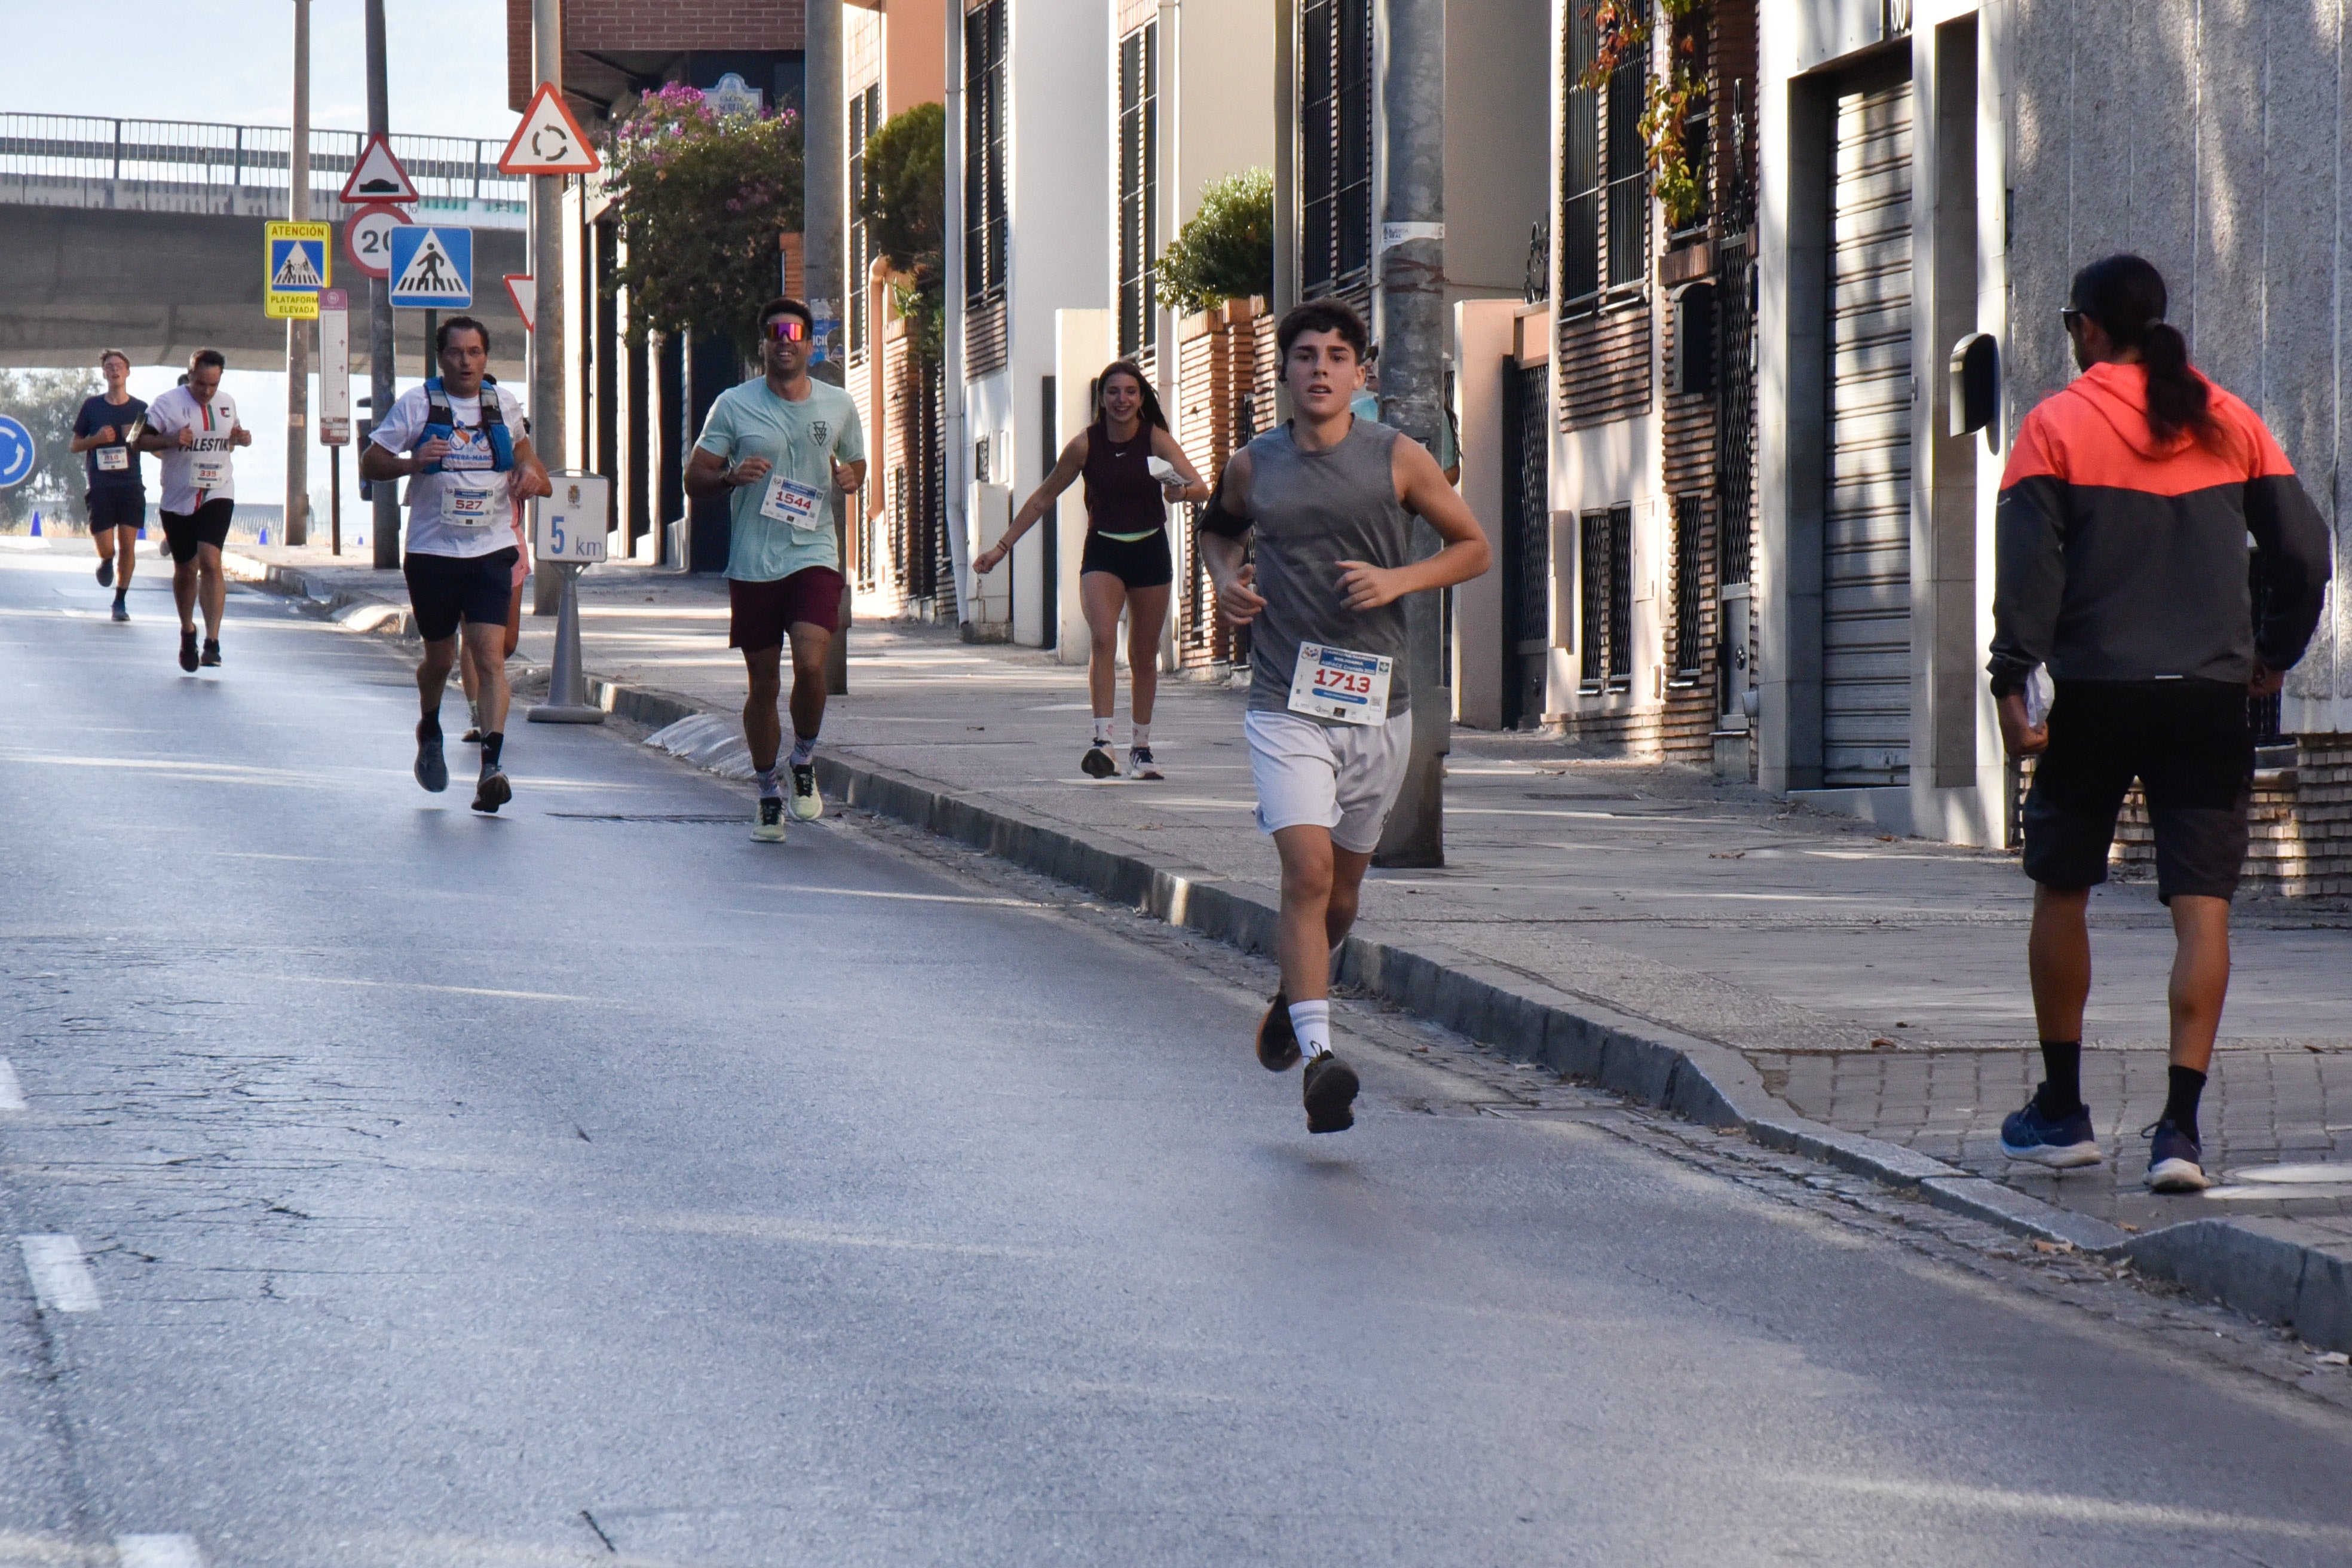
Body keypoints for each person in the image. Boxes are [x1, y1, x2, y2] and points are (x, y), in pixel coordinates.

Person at [1991, 254, 2330, 1193]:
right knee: (2202, 907)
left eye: (2070, 328)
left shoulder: (2054, 427)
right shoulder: (2230, 420)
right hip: (2208, 700)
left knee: (2063, 889)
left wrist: (2011, 682)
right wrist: (2273, 652)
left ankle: (2061, 1112)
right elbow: (2304, 550)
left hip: (2098, 694)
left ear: (2089, 331)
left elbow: (2027, 576)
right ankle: (2179, 1133)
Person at [1196, 300, 1491, 1134]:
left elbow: (1473, 546)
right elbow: (1218, 535)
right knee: (1308, 874)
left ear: (1360, 373)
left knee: (1345, 896)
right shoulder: (1253, 465)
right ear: (1284, 372)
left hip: (1377, 705)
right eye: (1304, 355)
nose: (1320, 369)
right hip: (1284, 700)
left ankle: (1296, 993)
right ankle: (1321, 1059)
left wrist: (1398, 582)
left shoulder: (1399, 459)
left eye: (1336, 356)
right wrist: (1224, 579)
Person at [683, 297, 866, 843]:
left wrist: (852, 477)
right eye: (773, 333)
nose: (784, 341)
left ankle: (803, 758)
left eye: (794, 333)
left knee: (813, 661)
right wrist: (730, 478)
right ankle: (767, 791)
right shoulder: (733, 406)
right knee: (763, 681)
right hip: (754, 561)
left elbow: (855, 460)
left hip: (813, 552)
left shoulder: (837, 405)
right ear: (763, 345)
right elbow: (696, 477)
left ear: (811, 345)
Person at [972, 363, 1208, 780]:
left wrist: (1180, 491)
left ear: (1141, 397)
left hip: (1150, 549)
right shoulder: (1085, 445)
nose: (1122, 401)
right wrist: (1001, 547)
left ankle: (1141, 748)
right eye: (1114, 392)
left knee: (1142, 655)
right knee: (1101, 638)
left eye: (1131, 392)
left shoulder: (1155, 439)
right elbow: (1044, 497)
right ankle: (1103, 742)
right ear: (1102, 398)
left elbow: (1201, 486)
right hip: (1104, 552)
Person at [360, 316, 551, 814]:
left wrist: (529, 477)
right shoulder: (417, 405)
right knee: (441, 659)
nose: (465, 362)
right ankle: (429, 725)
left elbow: (538, 471)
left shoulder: (503, 405)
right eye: (456, 354)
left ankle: (492, 766)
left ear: (486, 358)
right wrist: (413, 461)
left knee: (490, 656)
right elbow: (371, 462)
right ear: (440, 357)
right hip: (432, 553)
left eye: (474, 353)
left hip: (491, 550)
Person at [133, 349, 249, 672]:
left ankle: (212, 641)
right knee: (186, 569)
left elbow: (231, 437)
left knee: (211, 560)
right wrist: (170, 439)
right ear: (190, 376)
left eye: (214, 384)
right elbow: (135, 441)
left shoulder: (227, 402)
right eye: (201, 384)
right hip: (178, 497)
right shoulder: (165, 403)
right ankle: (188, 631)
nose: (208, 391)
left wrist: (240, 438)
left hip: (218, 490)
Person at [69, 349, 146, 622]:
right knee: (108, 547)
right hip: (101, 486)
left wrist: (137, 437)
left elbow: (149, 446)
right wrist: (97, 439)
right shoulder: (92, 406)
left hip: (130, 485)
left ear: (128, 372)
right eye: (110, 367)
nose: (114, 371)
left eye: (119, 366)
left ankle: (120, 601)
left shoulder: (139, 408)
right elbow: (75, 446)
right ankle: (105, 560)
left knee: (128, 545)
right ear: (104, 373)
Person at [461, 497, 531, 742]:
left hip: (510, 542)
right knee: (475, 638)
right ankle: (480, 718)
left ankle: (488, 699)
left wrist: (523, 477)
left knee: (507, 642)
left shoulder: (511, 458)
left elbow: (541, 485)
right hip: (467, 543)